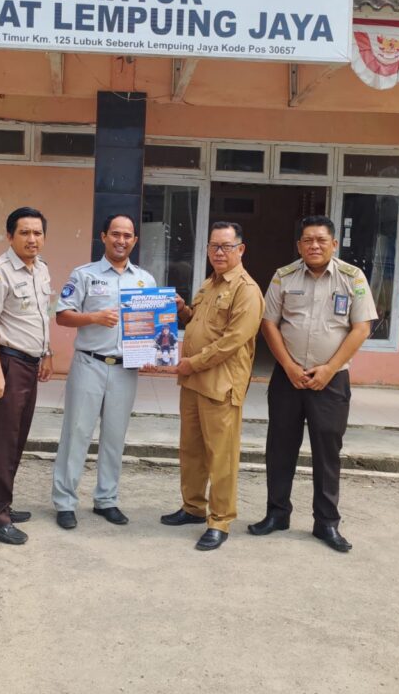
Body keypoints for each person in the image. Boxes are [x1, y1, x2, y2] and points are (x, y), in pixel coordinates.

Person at [249, 215, 377, 553]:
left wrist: (329, 369)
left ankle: (326, 522)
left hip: (331, 381)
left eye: (321, 240)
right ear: (299, 245)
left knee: (327, 453)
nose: (314, 245)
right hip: (288, 377)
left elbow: (361, 328)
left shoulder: (353, 277)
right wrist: (289, 367)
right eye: (308, 240)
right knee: (280, 448)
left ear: (334, 244)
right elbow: (268, 323)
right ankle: (277, 514)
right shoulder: (283, 276)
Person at [154, 222, 264, 551]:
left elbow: (232, 341)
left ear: (240, 249)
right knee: (191, 450)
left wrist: (193, 362)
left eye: (226, 246)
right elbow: (197, 322)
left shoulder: (246, 290)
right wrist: (182, 310)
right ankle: (192, 507)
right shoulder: (209, 283)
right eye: (214, 246)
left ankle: (220, 520)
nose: (219, 252)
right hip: (193, 383)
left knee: (221, 456)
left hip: (221, 384)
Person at [51, 214, 156, 530]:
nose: (121, 241)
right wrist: (94, 318)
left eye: (127, 236)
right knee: (77, 434)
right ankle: (65, 502)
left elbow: (152, 325)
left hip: (125, 369)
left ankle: (106, 499)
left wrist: (152, 350)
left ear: (134, 240)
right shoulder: (84, 274)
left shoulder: (145, 281)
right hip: (90, 364)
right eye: (115, 234)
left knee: (114, 437)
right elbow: (62, 316)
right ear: (104, 237)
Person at [0, 207, 54, 545]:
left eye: (37, 233)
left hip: (30, 364)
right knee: (4, 440)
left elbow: (41, 315)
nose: (32, 239)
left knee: (17, 438)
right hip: (7, 364)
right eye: (24, 232)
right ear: (10, 236)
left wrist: (47, 352)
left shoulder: (41, 270)